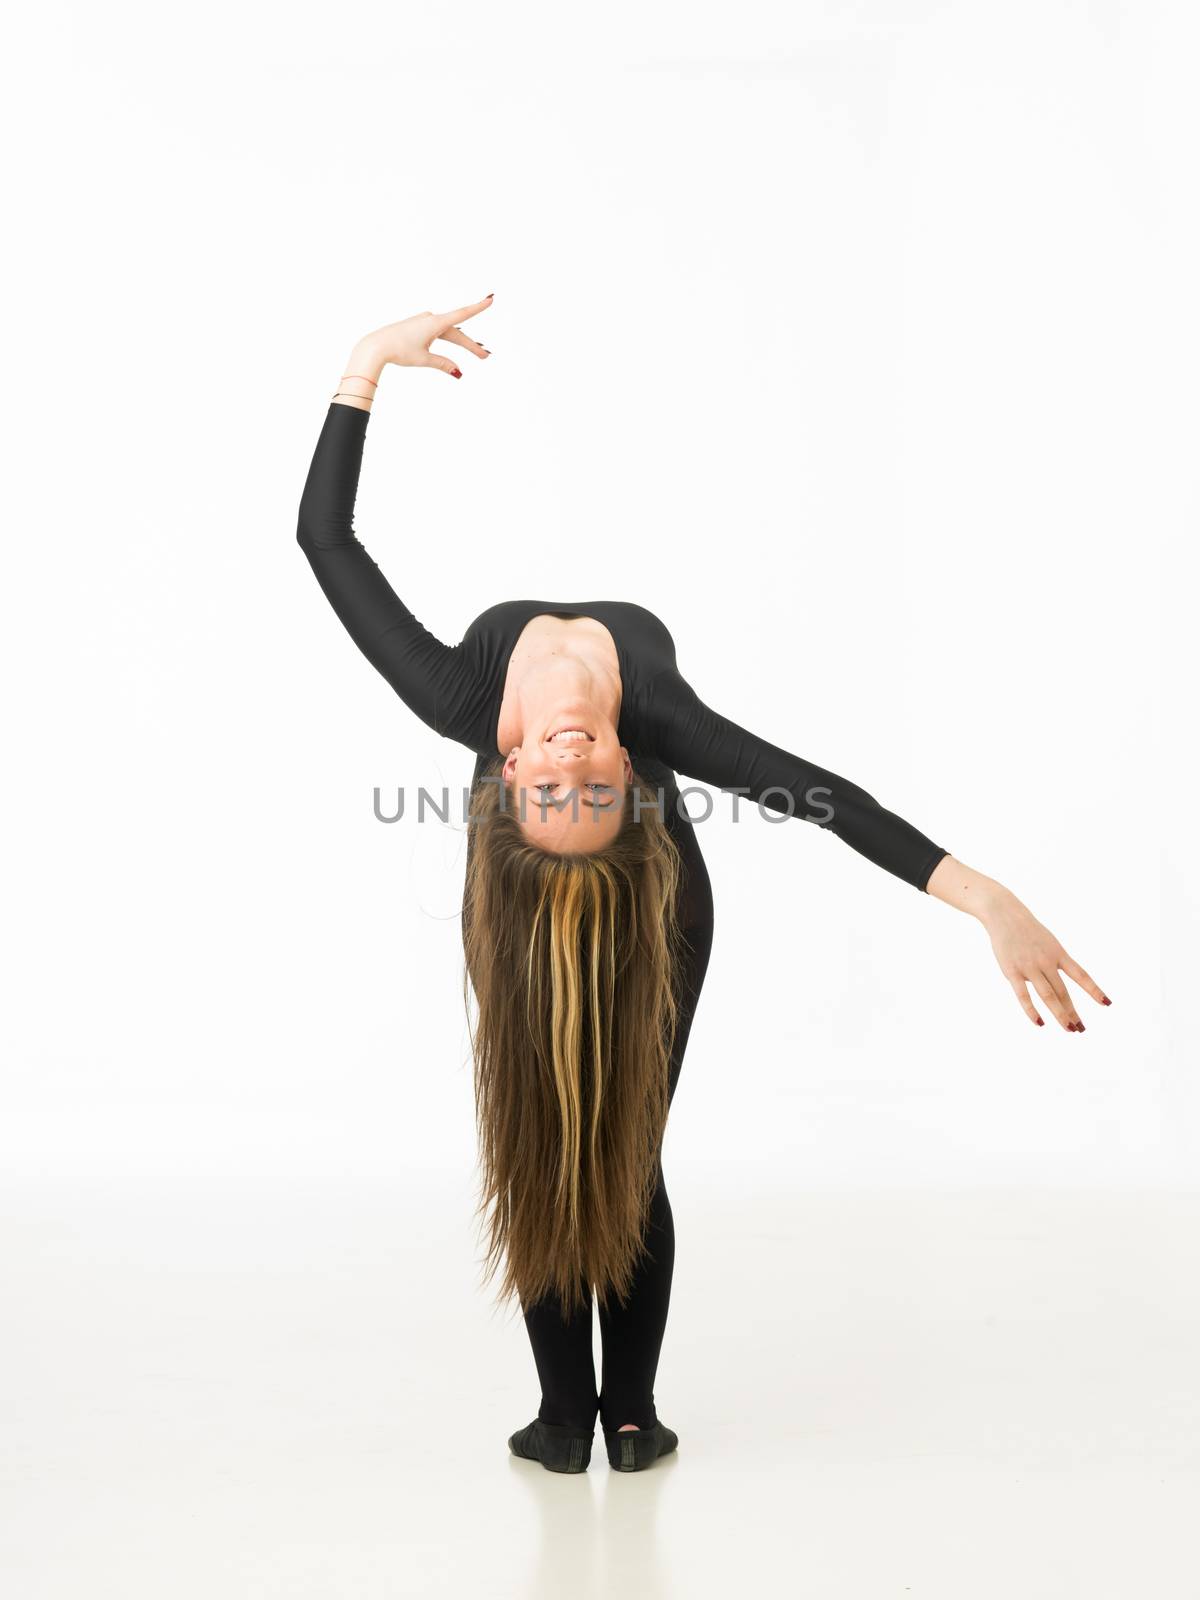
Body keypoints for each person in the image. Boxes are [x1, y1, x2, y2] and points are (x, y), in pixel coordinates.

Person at [296, 295, 1112, 1473]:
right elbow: (827, 795)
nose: (574, 762)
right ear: (635, 773)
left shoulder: (459, 698)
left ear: (510, 768)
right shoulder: (653, 722)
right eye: (586, 777)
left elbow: (328, 544)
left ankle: (619, 1409)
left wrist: (364, 367)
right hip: (539, 920)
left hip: (653, 917)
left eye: (560, 777)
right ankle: (572, 1413)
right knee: (545, 1136)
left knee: (620, 1140)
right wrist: (984, 894)